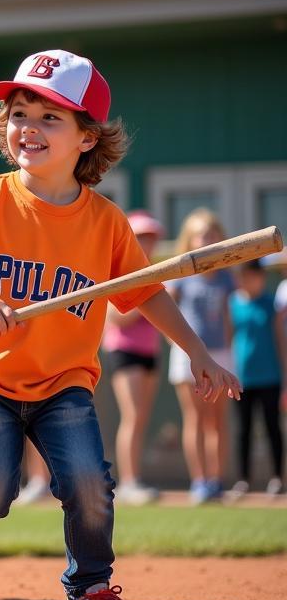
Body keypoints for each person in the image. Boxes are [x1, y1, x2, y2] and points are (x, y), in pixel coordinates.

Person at [0, 49, 240, 600]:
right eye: (20, 112)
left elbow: (147, 294)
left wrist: (197, 352)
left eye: (51, 117)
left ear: (87, 138)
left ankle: (89, 596)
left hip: (64, 382)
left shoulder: (105, 222)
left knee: (87, 482)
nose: (28, 127)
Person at [168, 208, 236, 504]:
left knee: (218, 420)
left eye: (212, 233)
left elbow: (229, 317)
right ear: (190, 240)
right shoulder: (181, 276)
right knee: (195, 417)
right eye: (200, 234)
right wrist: (180, 346)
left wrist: (229, 351)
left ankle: (216, 481)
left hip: (220, 352)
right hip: (187, 355)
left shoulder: (226, 277)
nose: (207, 239)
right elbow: (166, 316)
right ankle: (199, 481)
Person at [102, 210, 166, 504]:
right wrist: (146, 301)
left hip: (149, 350)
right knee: (133, 415)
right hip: (123, 350)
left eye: (150, 237)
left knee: (142, 418)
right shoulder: (116, 269)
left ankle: (134, 478)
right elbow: (116, 317)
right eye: (141, 237)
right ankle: (129, 481)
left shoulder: (154, 270)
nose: (146, 242)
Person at [228, 259, 285, 497]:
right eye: (245, 275)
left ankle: (277, 478)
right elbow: (228, 338)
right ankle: (243, 479)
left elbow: (281, 340)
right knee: (244, 429)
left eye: (255, 275)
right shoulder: (232, 303)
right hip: (242, 378)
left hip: (270, 376)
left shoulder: (273, 303)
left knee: (273, 427)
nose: (250, 280)